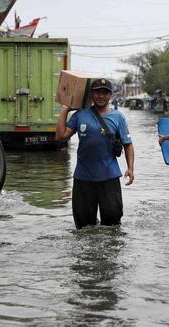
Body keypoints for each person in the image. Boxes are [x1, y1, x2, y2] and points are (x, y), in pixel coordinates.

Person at [55, 78, 135, 229]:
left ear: (110, 95)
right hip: (83, 178)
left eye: (105, 93)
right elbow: (60, 136)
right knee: (83, 226)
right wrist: (65, 110)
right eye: (97, 92)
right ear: (91, 94)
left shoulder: (118, 117)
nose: (101, 96)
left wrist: (130, 168)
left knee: (112, 225)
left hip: (109, 178)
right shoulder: (80, 115)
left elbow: (128, 145)